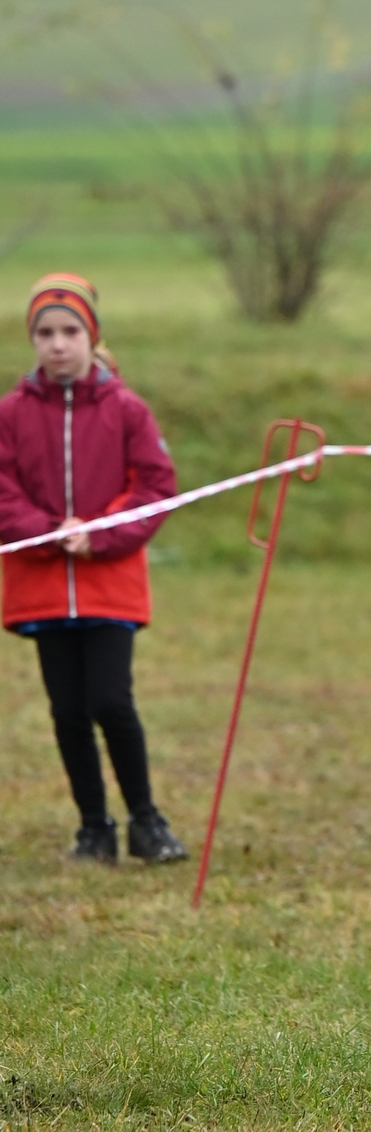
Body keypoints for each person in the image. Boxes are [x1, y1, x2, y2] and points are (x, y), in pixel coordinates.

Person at [0, 274, 186, 863]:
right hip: (42, 587)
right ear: (33, 340)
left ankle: (147, 822)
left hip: (110, 585)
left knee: (110, 701)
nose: (58, 344)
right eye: (45, 333)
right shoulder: (10, 414)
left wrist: (98, 533)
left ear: (91, 336)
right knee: (68, 711)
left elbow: (155, 486)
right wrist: (46, 531)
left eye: (70, 331)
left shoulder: (127, 409)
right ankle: (93, 829)